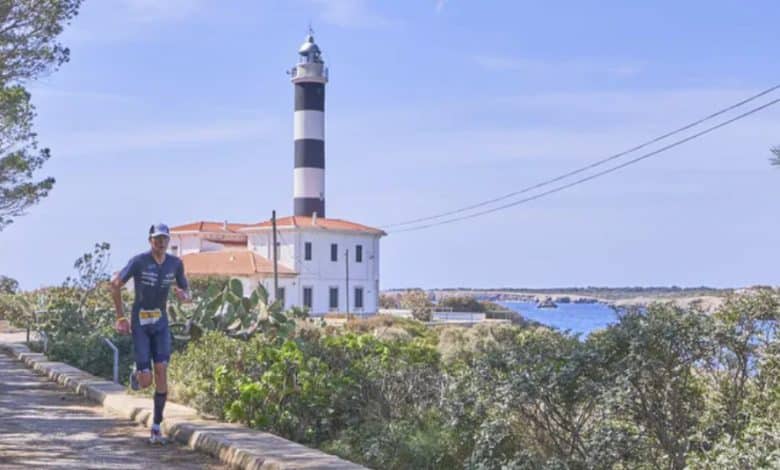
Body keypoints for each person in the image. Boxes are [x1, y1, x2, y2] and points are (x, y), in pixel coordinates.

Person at [111, 223, 190, 444]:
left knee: (162, 370)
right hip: (140, 323)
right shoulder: (139, 261)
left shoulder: (176, 264)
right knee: (146, 382)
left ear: (168, 241)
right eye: (157, 239)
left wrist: (184, 295)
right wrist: (120, 317)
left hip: (161, 323)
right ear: (150, 240)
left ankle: (156, 426)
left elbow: (186, 289)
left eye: (164, 238)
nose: (161, 242)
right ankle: (138, 375)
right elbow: (115, 285)